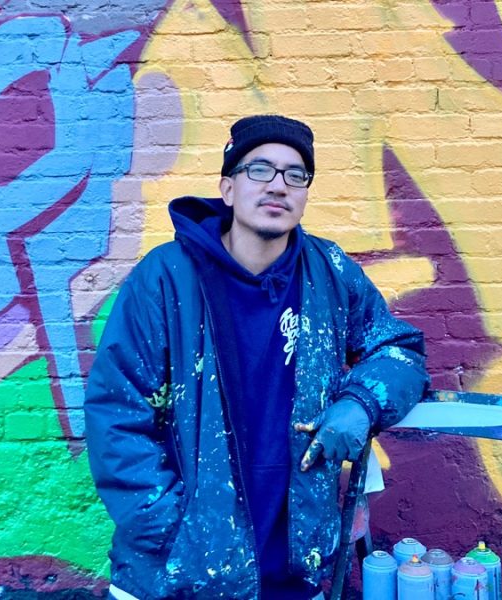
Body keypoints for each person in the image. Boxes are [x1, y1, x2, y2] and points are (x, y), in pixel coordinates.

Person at [84, 115, 429, 599]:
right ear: (228, 188)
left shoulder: (329, 273)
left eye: (295, 174)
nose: (278, 186)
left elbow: (399, 349)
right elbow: (116, 411)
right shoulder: (166, 278)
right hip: (178, 578)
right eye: (260, 170)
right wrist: (171, 530)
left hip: (294, 574)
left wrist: (360, 403)